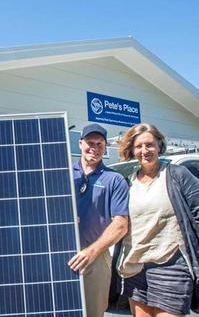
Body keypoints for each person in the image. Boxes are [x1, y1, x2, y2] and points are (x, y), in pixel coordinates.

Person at [117, 123, 199, 316]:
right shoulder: (128, 183)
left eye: (149, 145)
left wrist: (177, 248)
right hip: (135, 267)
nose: (144, 151)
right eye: (138, 146)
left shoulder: (178, 175)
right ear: (132, 149)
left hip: (171, 266)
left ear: (159, 146)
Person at [68, 123, 129, 317]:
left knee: (93, 312)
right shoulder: (64, 174)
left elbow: (120, 225)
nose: (94, 148)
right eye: (89, 143)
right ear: (80, 143)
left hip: (96, 256)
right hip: (61, 250)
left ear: (105, 147)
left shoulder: (114, 179)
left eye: (99, 144)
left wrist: (91, 252)